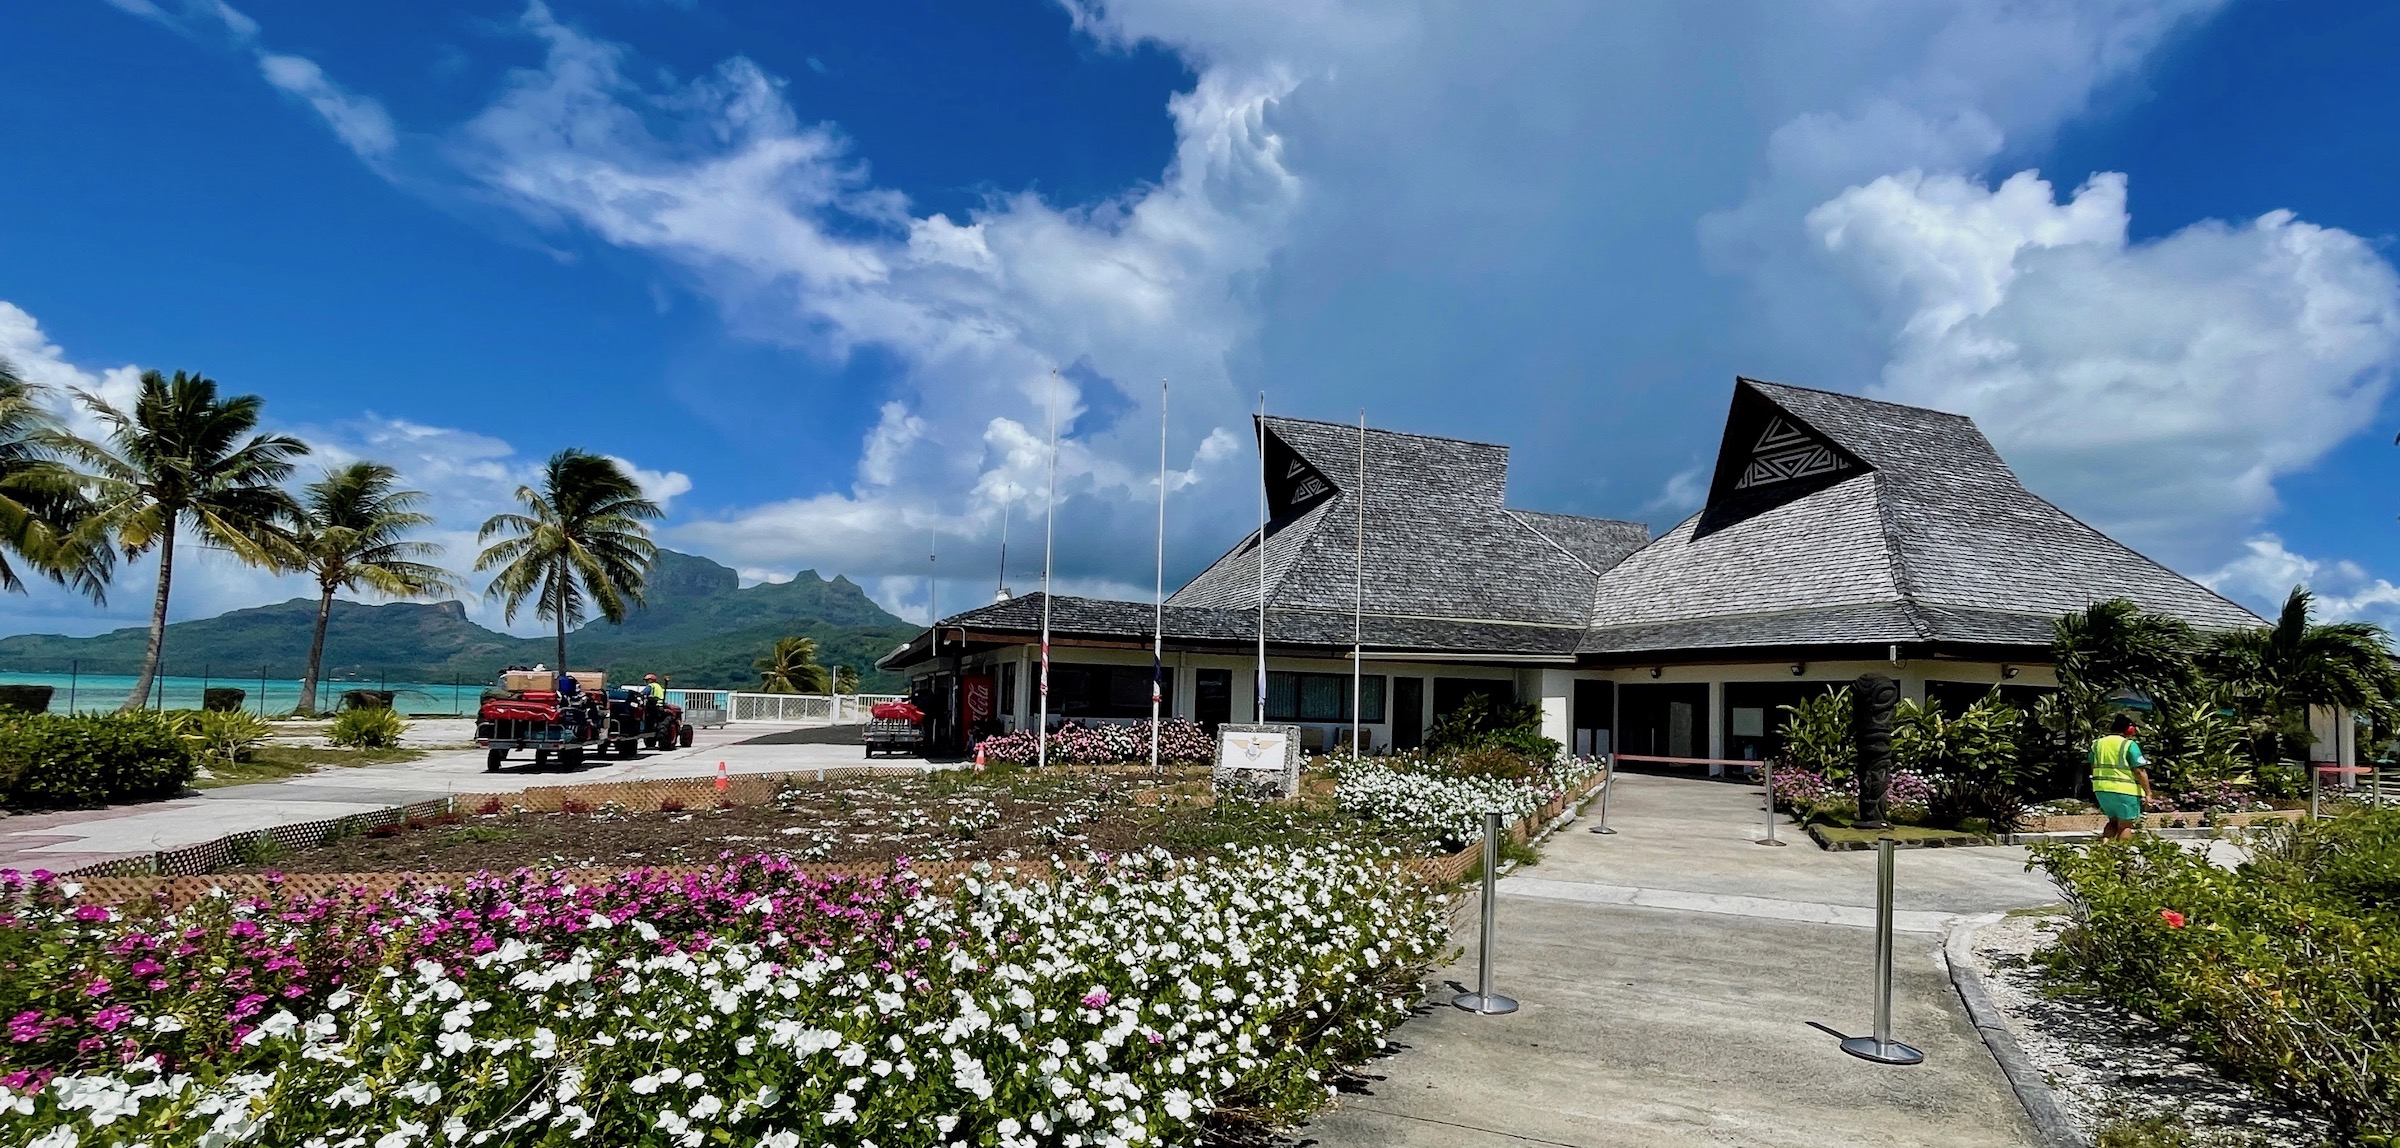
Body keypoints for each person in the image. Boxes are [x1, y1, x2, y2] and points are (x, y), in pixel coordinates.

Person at [2090, 714, 2152, 841]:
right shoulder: (2129, 745)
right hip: (2125, 791)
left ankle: (2103, 852)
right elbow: (2139, 771)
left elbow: (2092, 765)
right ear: (2129, 730)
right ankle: (2122, 854)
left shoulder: (2097, 744)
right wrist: (2148, 793)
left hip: (2101, 789)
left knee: (2112, 822)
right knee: (2125, 826)